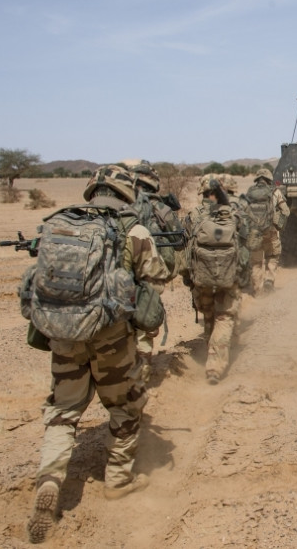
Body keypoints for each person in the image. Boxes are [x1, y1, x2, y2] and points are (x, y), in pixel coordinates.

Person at [26, 164, 169, 544]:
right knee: (126, 404)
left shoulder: (57, 223)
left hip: (63, 336)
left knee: (62, 412)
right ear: (124, 193)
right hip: (111, 339)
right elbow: (157, 275)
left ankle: (50, 480)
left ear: (91, 190)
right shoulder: (132, 230)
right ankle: (118, 479)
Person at [122, 159, 185, 385]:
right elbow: (179, 240)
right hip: (147, 277)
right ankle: (140, 378)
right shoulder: (160, 208)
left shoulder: (119, 204)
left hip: (115, 276)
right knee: (143, 326)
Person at [180, 179, 248, 382]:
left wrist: (188, 279)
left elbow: (186, 252)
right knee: (224, 317)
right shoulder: (234, 214)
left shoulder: (193, 216)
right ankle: (214, 366)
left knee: (209, 315)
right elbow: (245, 246)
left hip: (201, 279)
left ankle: (209, 350)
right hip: (228, 276)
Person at [243, 168, 290, 294]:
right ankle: (269, 282)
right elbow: (286, 211)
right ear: (269, 179)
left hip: (254, 233)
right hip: (271, 232)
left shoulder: (250, 193)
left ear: (257, 179)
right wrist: (278, 224)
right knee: (273, 256)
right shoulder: (275, 191)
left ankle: (258, 290)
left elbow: (243, 212)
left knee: (256, 262)